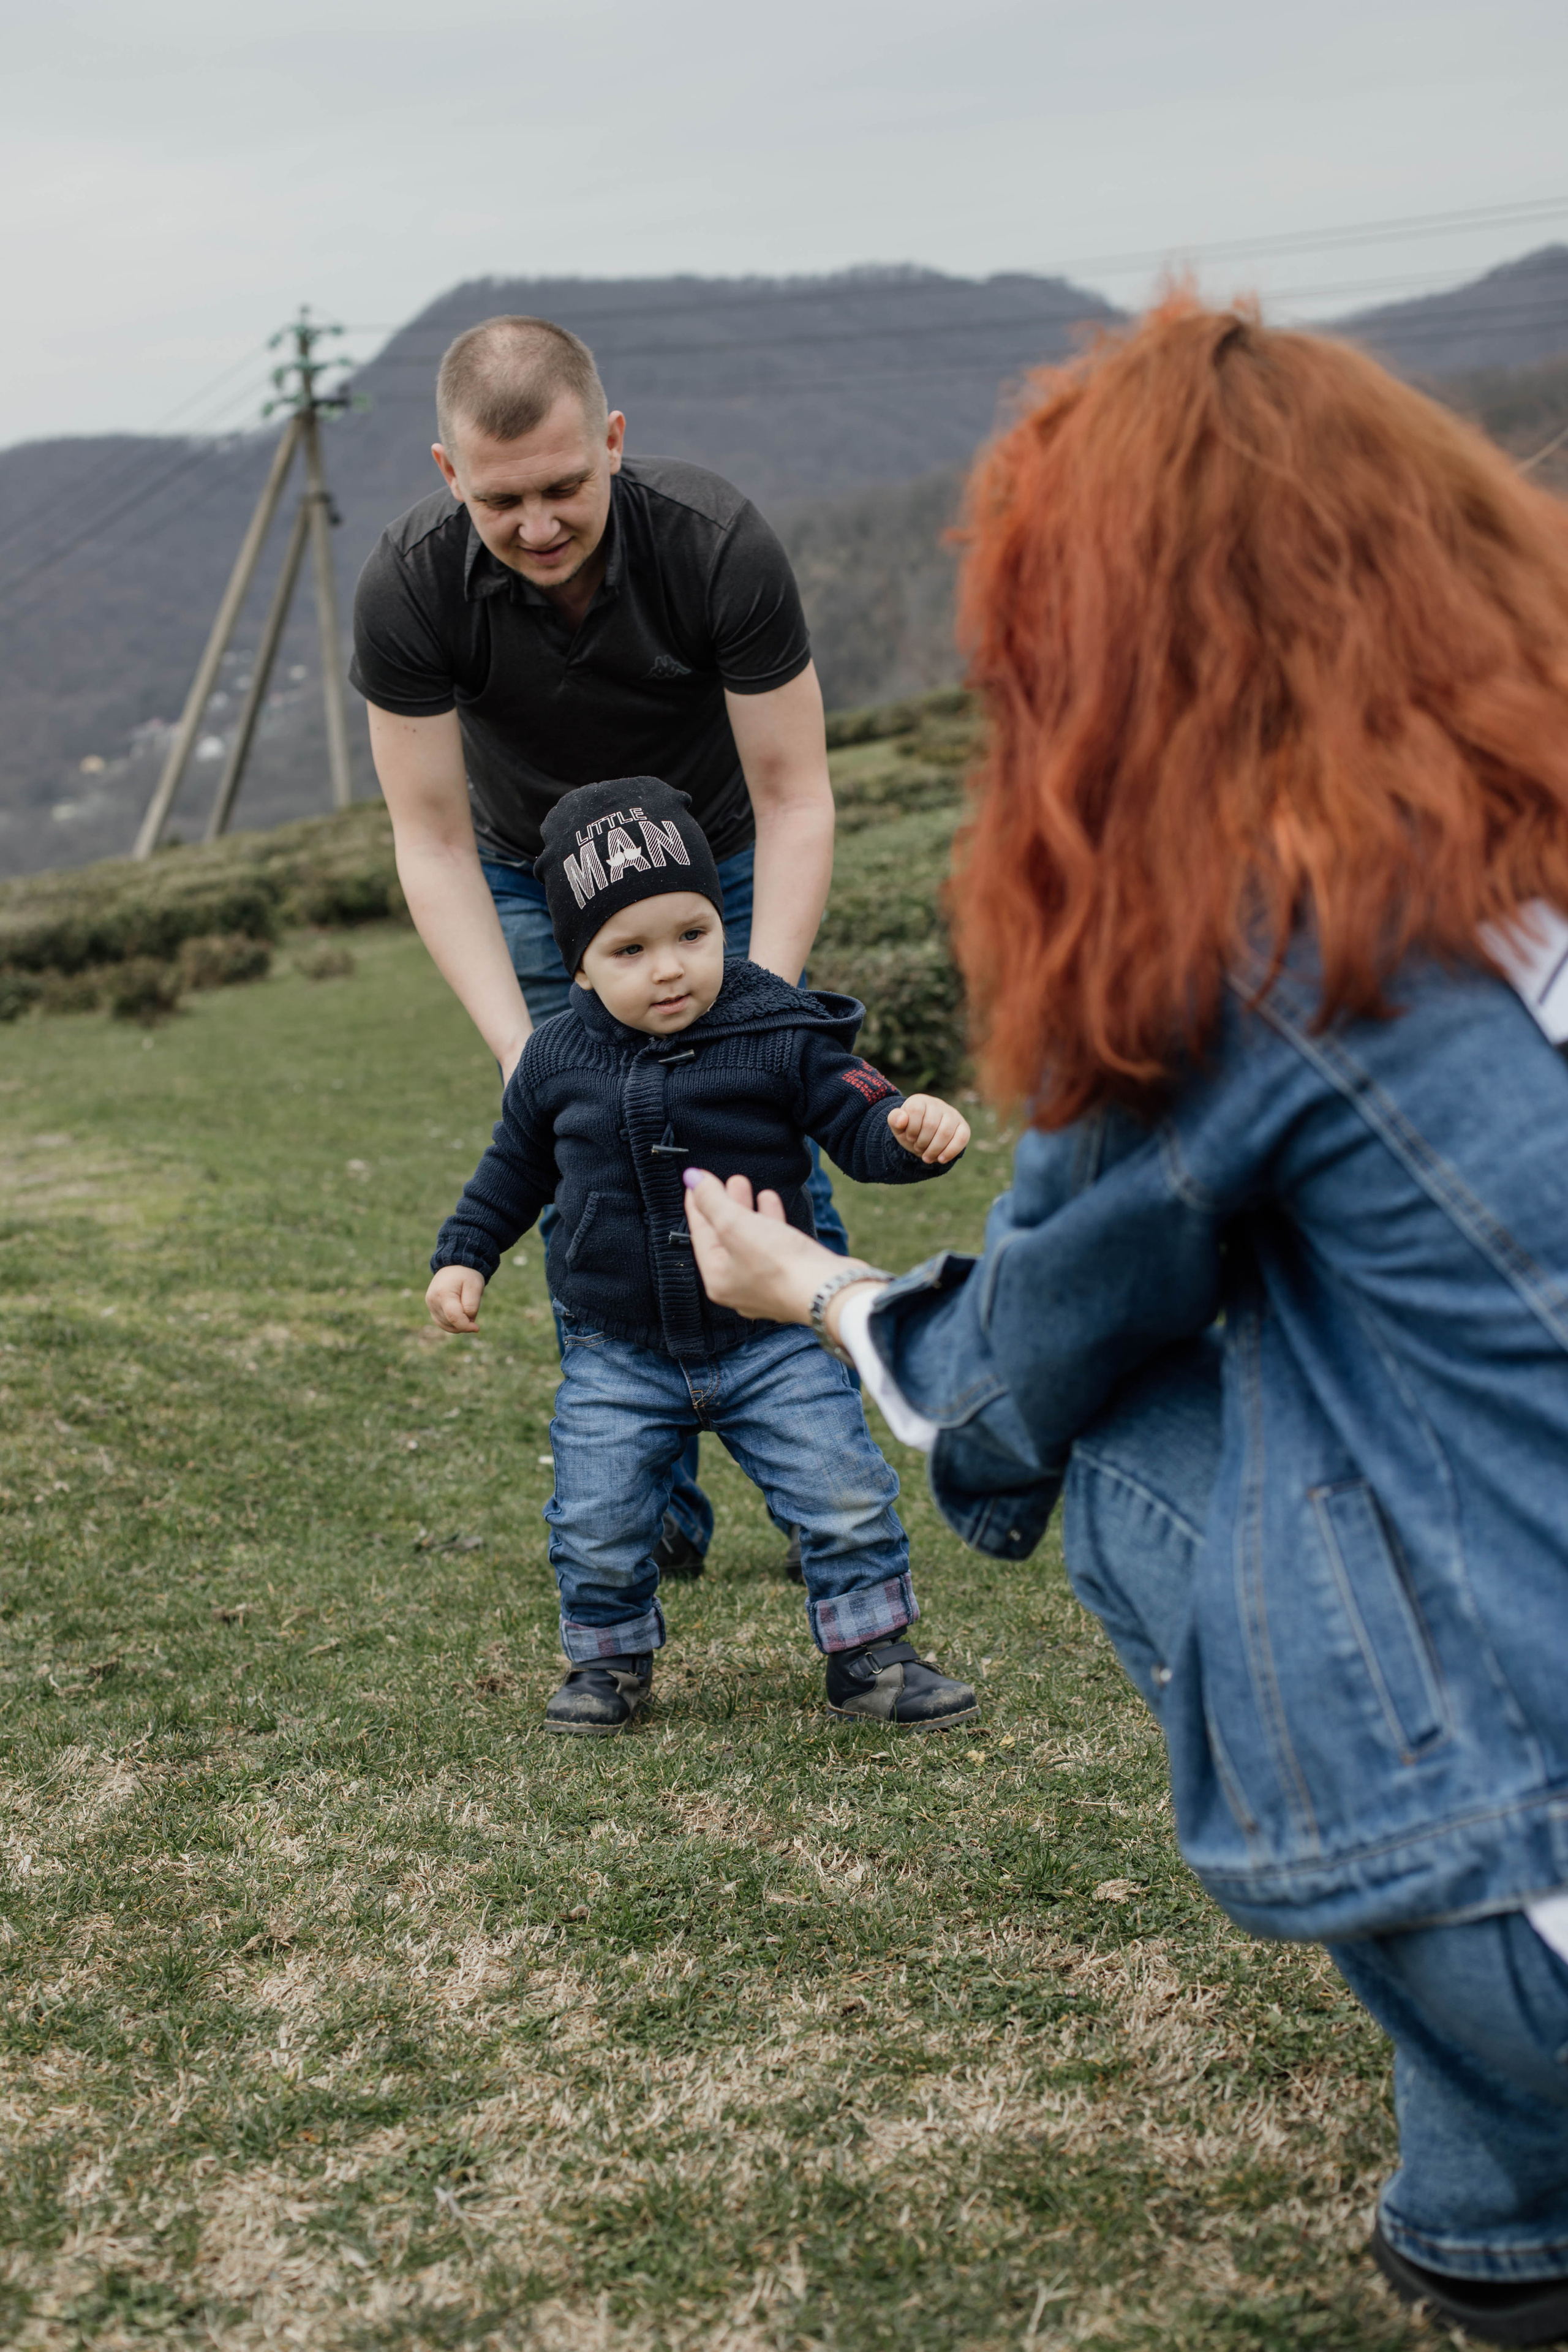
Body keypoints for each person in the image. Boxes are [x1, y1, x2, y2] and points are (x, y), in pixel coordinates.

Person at [680, 302, 1568, 2346]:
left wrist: (812, 1284)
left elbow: (1015, 1376)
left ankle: (1516, 2167)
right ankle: (1496, 2227)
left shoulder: (1276, 928)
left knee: (1131, 1434)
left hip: (1535, 1911)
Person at [351, 312, 846, 1581]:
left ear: (613, 444)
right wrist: (525, 1055)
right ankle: (650, 1510)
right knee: (591, 1167)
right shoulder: (408, 586)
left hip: (711, 866)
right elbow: (432, 840)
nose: (538, 525)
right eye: (502, 498)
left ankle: (824, 1482)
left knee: (770, 1140)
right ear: (448, 472)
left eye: (567, 486)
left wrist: (767, 1006)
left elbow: (794, 793)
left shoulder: (714, 543)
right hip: (528, 880)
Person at [424, 774, 979, 1738]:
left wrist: (907, 1127)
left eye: (692, 934)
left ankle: (872, 1654)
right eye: (629, 950)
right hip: (617, 1349)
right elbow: (512, 1169)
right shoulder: (556, 1060)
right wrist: (467, 1252)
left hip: (770, 1338)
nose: (670, 968)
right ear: (583, 968)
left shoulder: (777, 1028)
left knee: (841, 1490)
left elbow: (857, 1116)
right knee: (596, 1519)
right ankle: (606, 1663)